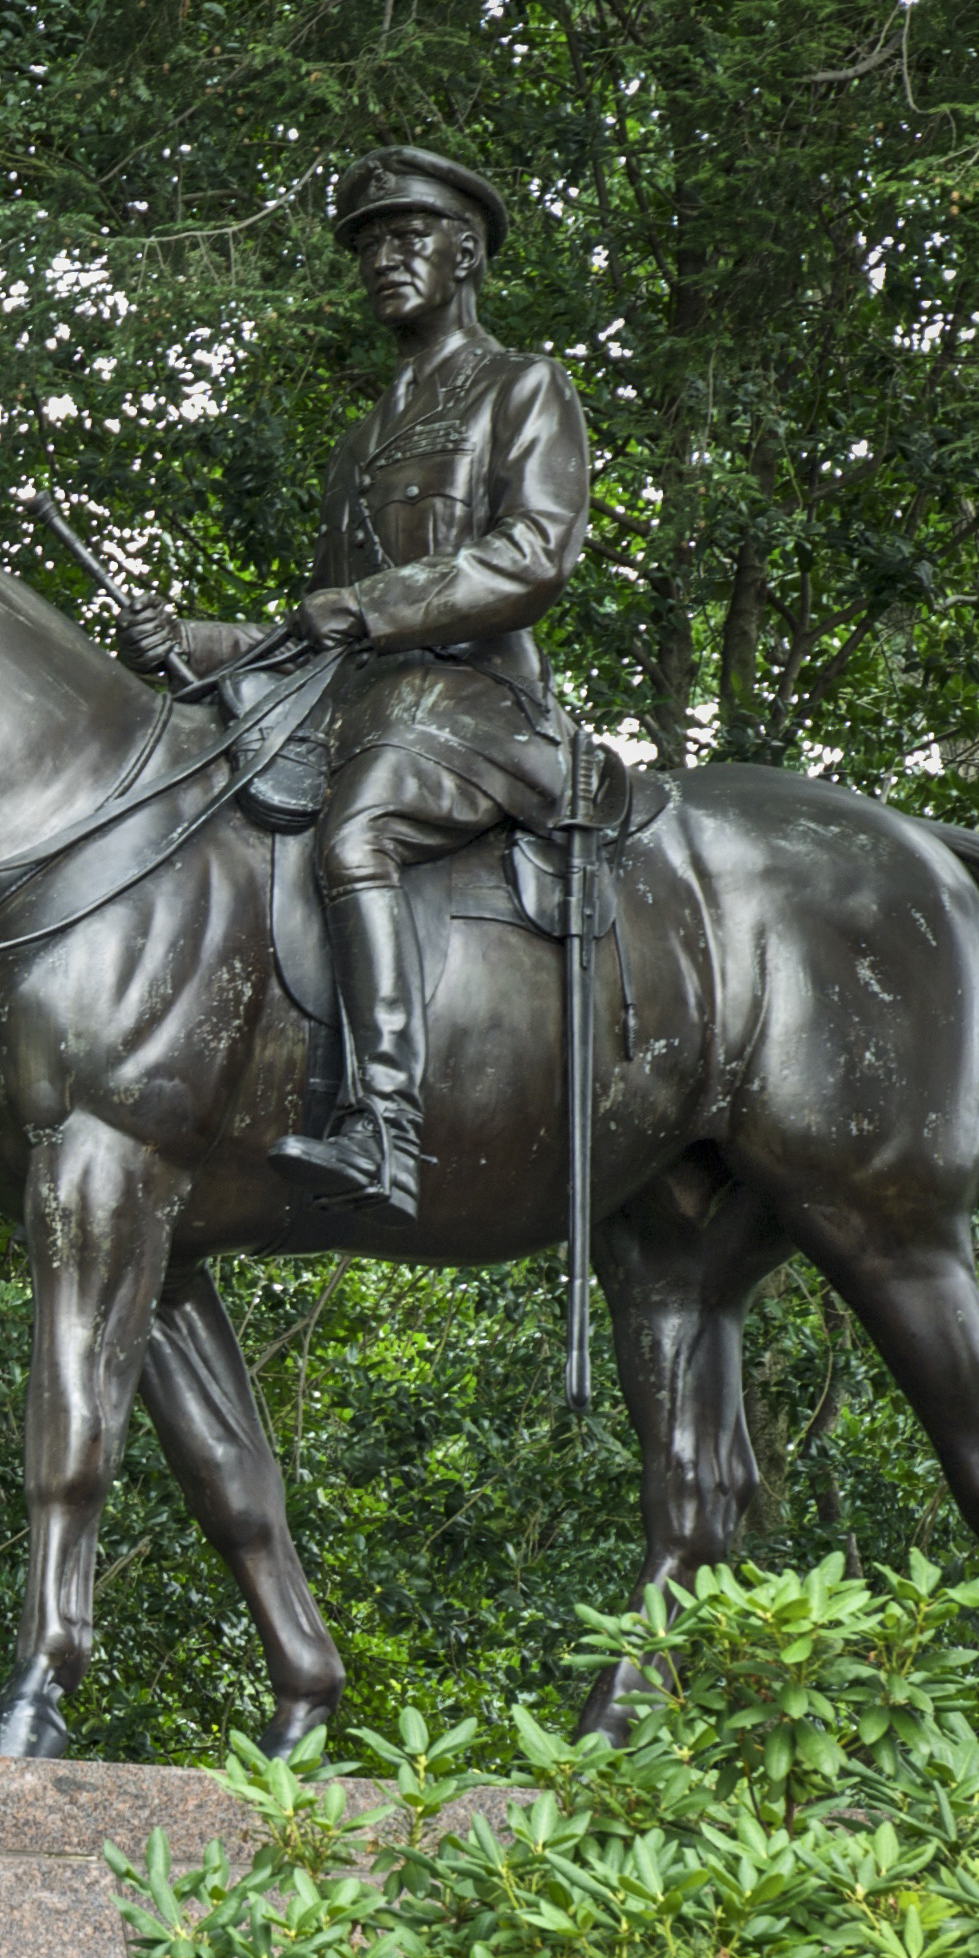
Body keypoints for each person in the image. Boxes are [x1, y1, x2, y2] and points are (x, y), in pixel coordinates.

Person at [117, 146, 592, 1220]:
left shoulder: (520, 386)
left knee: (355, 833)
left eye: (405, 236)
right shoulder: (359, 441)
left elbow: (531, 556)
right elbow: (314, 624)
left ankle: (383, 1125)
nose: (383, 259)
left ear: (463, 251)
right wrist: (185, 640)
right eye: (369, 243)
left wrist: (368, 607)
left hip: (477, 704)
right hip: (363, 703)